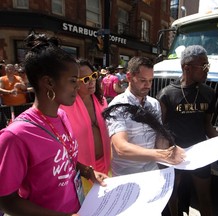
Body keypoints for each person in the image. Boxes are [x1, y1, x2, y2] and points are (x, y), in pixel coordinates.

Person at [0, 33, 108, 216]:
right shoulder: (16, 135)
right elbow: (6, 201)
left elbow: (66, 158)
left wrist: (87, 171)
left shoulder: (62, 116)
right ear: (49, 82)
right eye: (73, 80)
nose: (77, 86)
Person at [157, 45, 218, 216]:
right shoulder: (166, 94)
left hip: (200, 154)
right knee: (172, 197)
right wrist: (163, 156)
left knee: (205, 198)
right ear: (187, 67)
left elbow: (208, 125)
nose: (208, 70)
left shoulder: (209, 93)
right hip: (175, 154)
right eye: (204, 66)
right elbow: (161, 130)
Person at [103, 56, 185, 177]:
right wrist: (162, 155)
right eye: (143, 80)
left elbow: (159, 138)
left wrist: (170, 150)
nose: (148, 85)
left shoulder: (154, 103)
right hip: (128, 175)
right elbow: (121, 148)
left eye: (151, 80)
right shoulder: (117, 106)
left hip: (152, 171)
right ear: (129, 77)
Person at [61, 58, 111, 195]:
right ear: (74, 82)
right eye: (85, 79)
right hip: (83, 171)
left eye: (93, 76)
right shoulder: (65, 107)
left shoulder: (101, 100)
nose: (91, 82)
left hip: (106, 164)